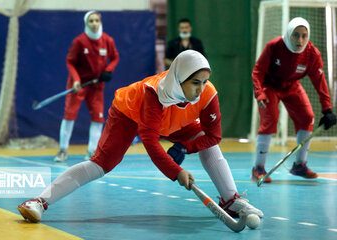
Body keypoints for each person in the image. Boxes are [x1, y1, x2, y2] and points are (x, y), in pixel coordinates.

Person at [17, 50, 263, 223]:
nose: (201, 89)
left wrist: (186, 148)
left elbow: (213, 136)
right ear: (179, 79)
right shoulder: (153, 95)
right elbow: (149, 140)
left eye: (205, 82)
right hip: (130, 113)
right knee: (101, 165)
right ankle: (39, 201)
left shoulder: (207, 95)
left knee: (208, 145)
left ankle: (230, 200)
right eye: (195, 83)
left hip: (177, 121)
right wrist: (176, 172)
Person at [251, 17, 337, 183]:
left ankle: (299, 165)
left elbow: (321, 83)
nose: (300, 40)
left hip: (291, 86)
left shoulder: (312, 54)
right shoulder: (274, 46)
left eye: (304, 35)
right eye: (296, 35)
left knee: (307, 117)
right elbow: (257, 71)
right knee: (270, 120)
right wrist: (259, 93)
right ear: (288, 34)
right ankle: (258, 168)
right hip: (270, 86)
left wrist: (327, 109)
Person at [54, 10, 119, 162]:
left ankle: (92, 152)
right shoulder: (79, 41)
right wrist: (76, 79)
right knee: (69, 116)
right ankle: (62, 150)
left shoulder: (108, 40)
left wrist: (108, 71)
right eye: (91, 21)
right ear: (86, 23)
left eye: (97, 20)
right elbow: (70, 62)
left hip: (96, 86)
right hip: (78, 85)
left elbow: (115, 57)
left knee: (98, 118)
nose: (95, 24)